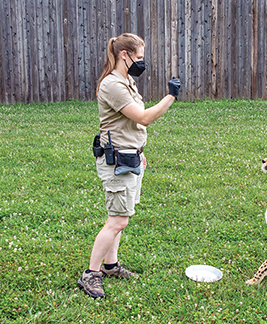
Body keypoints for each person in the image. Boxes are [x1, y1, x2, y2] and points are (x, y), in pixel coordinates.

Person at [77, 33, 181, 298]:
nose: (141, 63)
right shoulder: (113, 85)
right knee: (117, 220)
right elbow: (143, 118)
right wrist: (170, 97)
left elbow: (132, 126)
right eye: (139, 58)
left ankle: (110, 266)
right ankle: (91, 273)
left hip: (131, 157)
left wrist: (139, 151)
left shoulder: (128, 81)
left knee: (121, 219)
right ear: (125, 55)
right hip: (116, 161)